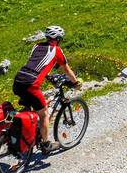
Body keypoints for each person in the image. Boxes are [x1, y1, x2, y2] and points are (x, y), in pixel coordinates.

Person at [12, 25, 80, 153]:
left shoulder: (36, 46)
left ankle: (24, 134)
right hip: (31, 84)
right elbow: (66, 69)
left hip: (18, 80)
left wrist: (48, 76)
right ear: (58, 39)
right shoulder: (56, 50)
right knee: (44, 115)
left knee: (29, 109)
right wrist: (75, 82)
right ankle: (46, 145)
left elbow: (35, 63)